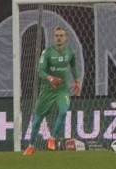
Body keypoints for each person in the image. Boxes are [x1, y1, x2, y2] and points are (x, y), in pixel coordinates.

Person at [23, 26, 81, 155]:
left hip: (62, 90)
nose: (59, 38)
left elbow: (73, 66)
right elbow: (40, 71)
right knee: (37, 120)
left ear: (66, 38)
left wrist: (76, 80)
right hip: (47, 91)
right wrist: (50, 78)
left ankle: (52, 138)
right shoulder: (47, 52)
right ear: (54, 38)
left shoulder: (70, 52)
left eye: (61, 35)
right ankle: (31, 145)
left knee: (63, 111)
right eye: (57, 36)